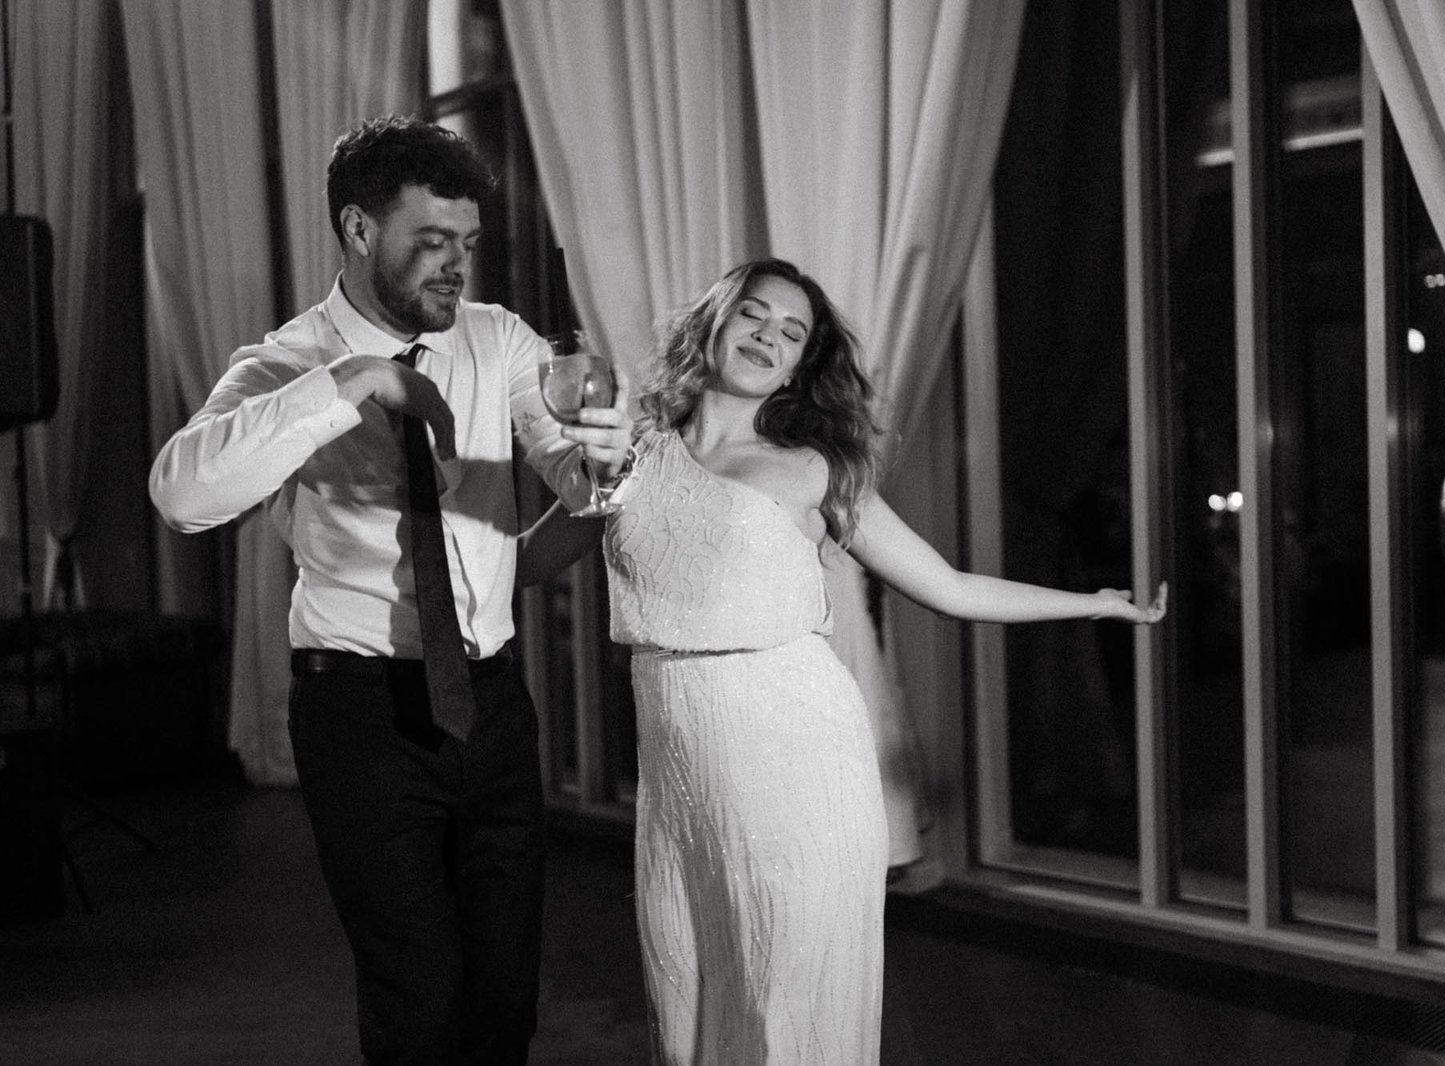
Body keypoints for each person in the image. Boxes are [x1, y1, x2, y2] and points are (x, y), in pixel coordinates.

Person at [567, 257, 1166, 1064]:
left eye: (791, 333)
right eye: (754, 314)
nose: (768, 337)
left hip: (798, 753)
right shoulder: (633, 454)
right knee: (694, 987)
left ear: (798, 366)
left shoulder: (816, 468)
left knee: (788, 997)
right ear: (714, 319)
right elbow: (534, 552)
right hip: (679, 767)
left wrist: (1093, 602)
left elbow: (950, 587)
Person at [148, 115, 633, 1066]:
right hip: (359, 713)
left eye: (469, 243)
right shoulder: (283, 363)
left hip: (492, 704)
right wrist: (351, 382)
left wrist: (607, 466)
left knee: (504, 1000)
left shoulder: (498, 340)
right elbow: (181, 495)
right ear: (359, 229)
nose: (458, 266)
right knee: (418, 1001)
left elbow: (572, 474)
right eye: (433, 240)